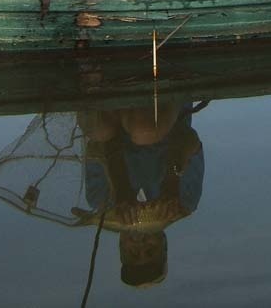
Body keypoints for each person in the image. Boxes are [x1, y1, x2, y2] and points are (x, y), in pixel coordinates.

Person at [77, 102, 205, 287]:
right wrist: (172, 180)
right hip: (166, 107)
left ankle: (94, 83)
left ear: (121, 247)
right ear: (163, 243)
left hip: (113, 116)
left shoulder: (99, 200)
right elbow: (189, 138)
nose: (141, 245)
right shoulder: (184, 204)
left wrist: (120, 187)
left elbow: (95, 147)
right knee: (143, 131)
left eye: (133, 253)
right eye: (151, 251)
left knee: (99, 130)